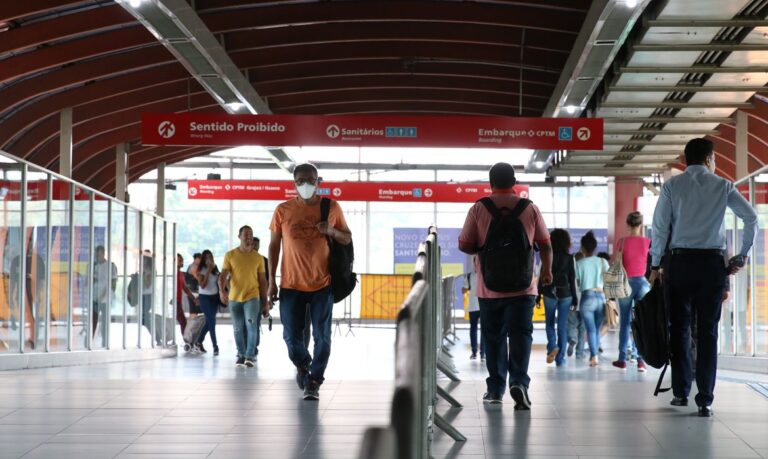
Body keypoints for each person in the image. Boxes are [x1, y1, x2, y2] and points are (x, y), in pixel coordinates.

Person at [650, 138, 757, 417]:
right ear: (709, 158)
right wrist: (743, 254)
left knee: (680, 328)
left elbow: (660, 228)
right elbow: (751, 218)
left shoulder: (672, 186)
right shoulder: (723, 186)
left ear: (686, 159)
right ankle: (705, 399)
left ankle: (681, 391)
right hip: (712, 264)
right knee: (708, 332)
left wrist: (655, 264)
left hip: (680, 263)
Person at [458, 162, 552, 408]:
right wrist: (547, 271)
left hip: (489, 288)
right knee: (521, 335)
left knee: (493, 337)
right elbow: (546, 244)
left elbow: (464, 244)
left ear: (490, 183)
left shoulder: (479, 208)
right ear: (514, 183)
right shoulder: (530, 208)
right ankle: (519, 383)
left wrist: (482, 248)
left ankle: (495, 390)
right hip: (523, 287)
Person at [268, 163, 352, 401]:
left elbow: (346, 238)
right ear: (294, 183)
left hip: (322, 284)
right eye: (300, 181)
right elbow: (274, 246)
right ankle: (304, 364)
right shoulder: (282, 210)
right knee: (291, 337)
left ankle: (314, 381)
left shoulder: (331, 207)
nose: (305, 184)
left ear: (318, 181)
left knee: (322, 337)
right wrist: (271, 281)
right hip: (290, 285)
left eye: (310, 180)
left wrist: (331, 231)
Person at [219, 226, 268, 368]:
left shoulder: (258, 258)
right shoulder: (230, 255)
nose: (249, 237)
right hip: (234, 298)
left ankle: (249, 356)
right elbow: (223, 276)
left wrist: (265, 302)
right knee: (237, 328)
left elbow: (263, 281)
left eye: (251, 234)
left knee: (251, 325)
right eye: (246, 234)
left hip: (252, 297)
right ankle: (241, 354)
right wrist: (222, 292)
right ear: (239, 236)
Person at [612, 212, 651, 372]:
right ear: (641, 225)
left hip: (626, 284)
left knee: (625, 323)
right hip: (643, 284)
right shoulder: (648, 242)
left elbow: (617, 265)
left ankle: (622, 359)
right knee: (640, 323)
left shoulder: (621, 242)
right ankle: (640, 360)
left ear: (628, 224)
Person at [539, 229, 577, 367]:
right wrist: (575, 298)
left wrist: (538, 295)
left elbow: (542, 275)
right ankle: (560, 359)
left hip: (549, 292)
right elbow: (572, 279)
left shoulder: (547, 256)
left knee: (549, 323)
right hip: (566, 295)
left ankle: (552, 346)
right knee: (562, 326)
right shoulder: (569, 258)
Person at [575, 231, 609, 367]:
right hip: (601, 297)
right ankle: (594, 355)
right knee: (596, 328)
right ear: (595, 247)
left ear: (582, 247)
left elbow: (578, 283)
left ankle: (594, 356)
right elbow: (608, 280)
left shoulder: (579, 263)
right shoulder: (603, 262)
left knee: (590, 329)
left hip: (587, 297)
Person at [196, 249, 220, 355]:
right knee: (212, 321)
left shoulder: (215, 267)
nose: (208, 259)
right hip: (205, 298)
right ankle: (215, 346)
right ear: (203, 259)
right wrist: (208, 271)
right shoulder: (201, 269)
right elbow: (202, 285)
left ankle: (198, 342)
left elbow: (218, 281)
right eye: (206, 257)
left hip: (214, 297)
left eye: (210, 257)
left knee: (209, 321)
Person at [92, 245, 117, 344]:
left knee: (105, 321)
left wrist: (107, 295)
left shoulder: (111, 266)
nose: (97, 257)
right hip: (95, 298)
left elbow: (113, 283)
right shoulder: (94, 266)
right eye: (96, 255)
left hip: (105, 299)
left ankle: (105, 340)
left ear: (103, 254)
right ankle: (90, 339)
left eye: (98, 255)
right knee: (93, 319)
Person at [462, 260, 484, 360]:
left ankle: (474, 352)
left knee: (473, 329)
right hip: (483, 305)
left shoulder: (469, 275)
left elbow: (463, 290)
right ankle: (483, 353)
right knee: (484, 330)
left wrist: (470, 287)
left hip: (473, 306)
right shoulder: (485, 274)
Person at [567, 250, 586, 359]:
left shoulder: (572, 269)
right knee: (583, 329)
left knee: (571, 324)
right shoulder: (585, 269)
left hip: (573, 301)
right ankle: (579, 353)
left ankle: (572, 339)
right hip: (584, 302)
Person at [175, 254, 196, 337]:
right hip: (173, 302)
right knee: (183, 321)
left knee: (182, 321)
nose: (182, 262)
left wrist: (194, 299)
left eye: (182, 260)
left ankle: (187, 339)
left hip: (178, 302)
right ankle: (187, 339)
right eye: (180, 260)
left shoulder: (180, 274)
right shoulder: (171, 273)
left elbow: (185, 288)